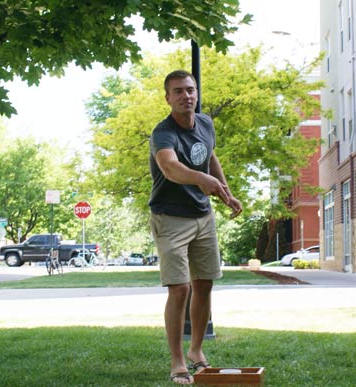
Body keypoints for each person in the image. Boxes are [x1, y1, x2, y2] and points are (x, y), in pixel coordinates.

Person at [149, 70, 242, 385]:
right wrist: (202, 179)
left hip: (202, 216)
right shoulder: (163, 133)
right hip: (170, 217)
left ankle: (196, 351)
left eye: (190, 90)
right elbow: (170, 167)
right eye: (178, 91)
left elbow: (210, 156)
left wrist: (225, 192)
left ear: (197, 93)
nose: (185, 96)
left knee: (204, 283)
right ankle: (177, 362)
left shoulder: (205, 123)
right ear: (168, 98)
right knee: (180, 288)